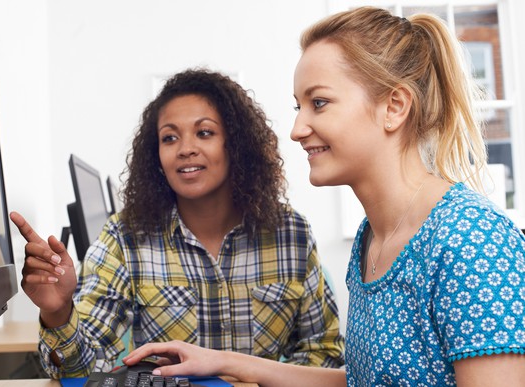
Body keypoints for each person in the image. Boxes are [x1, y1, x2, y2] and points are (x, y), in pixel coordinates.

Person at [124, 7, 525, 386]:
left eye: (319, 103)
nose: (298, 128)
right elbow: (362, 381)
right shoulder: (373, 237)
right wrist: (225, 361)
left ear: (395, 106)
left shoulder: (471, 240)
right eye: (299, 106)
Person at [10, 68, 345, 379]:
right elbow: (84, 370)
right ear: (155, 154)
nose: (186, 149)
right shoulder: (125, 237)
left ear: (236, 145)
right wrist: (59, 312)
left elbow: (325, 352)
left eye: (204, 133)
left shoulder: (290, 234)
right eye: (169, 138)